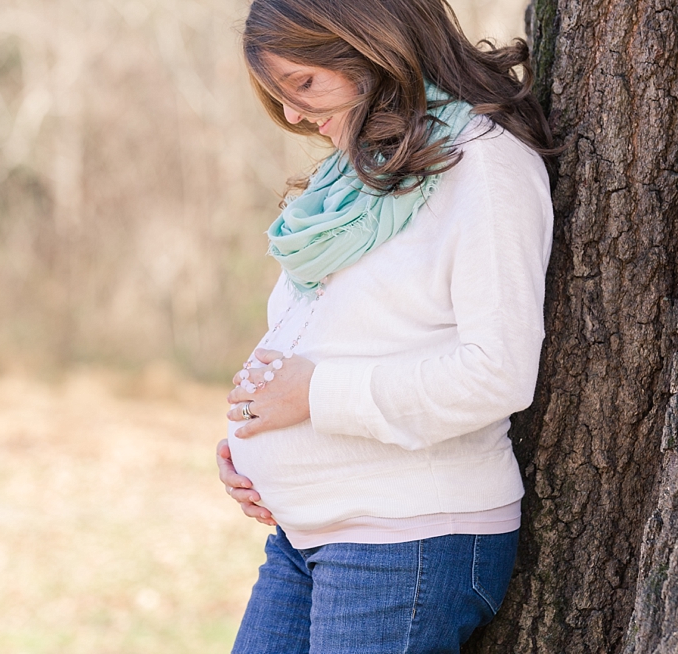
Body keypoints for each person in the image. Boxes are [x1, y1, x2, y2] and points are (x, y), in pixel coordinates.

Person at [215, 1, 555, 651]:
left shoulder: (482, 164)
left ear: (376, 48)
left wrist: (312, 398)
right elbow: (323, 335)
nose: (292, 116)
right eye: (278, 93)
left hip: (407, 541)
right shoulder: (354, 175)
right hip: (308, 533)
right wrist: (250, 441)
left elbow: (497, 372)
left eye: (305, 85)